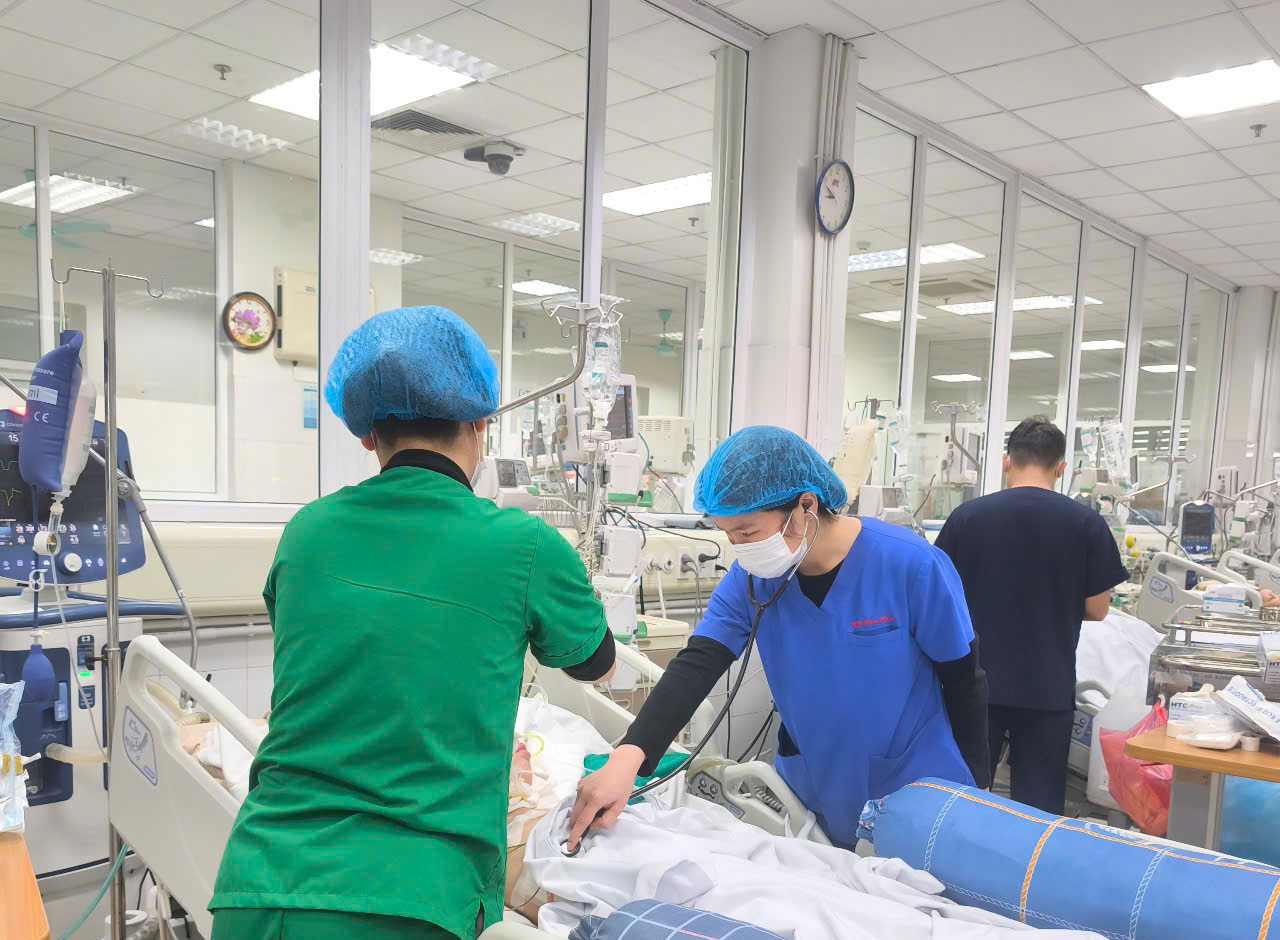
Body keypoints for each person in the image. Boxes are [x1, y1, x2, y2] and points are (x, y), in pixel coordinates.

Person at [209, 306, 616, 940]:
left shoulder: (307, 533)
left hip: (261, 884)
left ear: (367, 435)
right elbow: (597, 663)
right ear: (481, 426)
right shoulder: (524, 546)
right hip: (406, 901)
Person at [569, 426, 988, 851]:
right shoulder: (752, 581)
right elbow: (698, 664)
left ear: (806, 504)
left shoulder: (910, 566)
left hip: (916, 787)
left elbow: (963, 680)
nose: (739, 548)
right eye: (729, 535)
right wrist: (630, 757)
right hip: (814, 789)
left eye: (748, 533)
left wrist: (978, 796)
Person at [934, 416, 1129, 815]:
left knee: (965, 796)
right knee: (1037, 810)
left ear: (1007, 462)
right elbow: (1098, 608)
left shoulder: (967, 519)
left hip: (975, 683)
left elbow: (938, 600)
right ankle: (1028, 875)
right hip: (1046, 685)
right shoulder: (1085, 524)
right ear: (1061, 468)